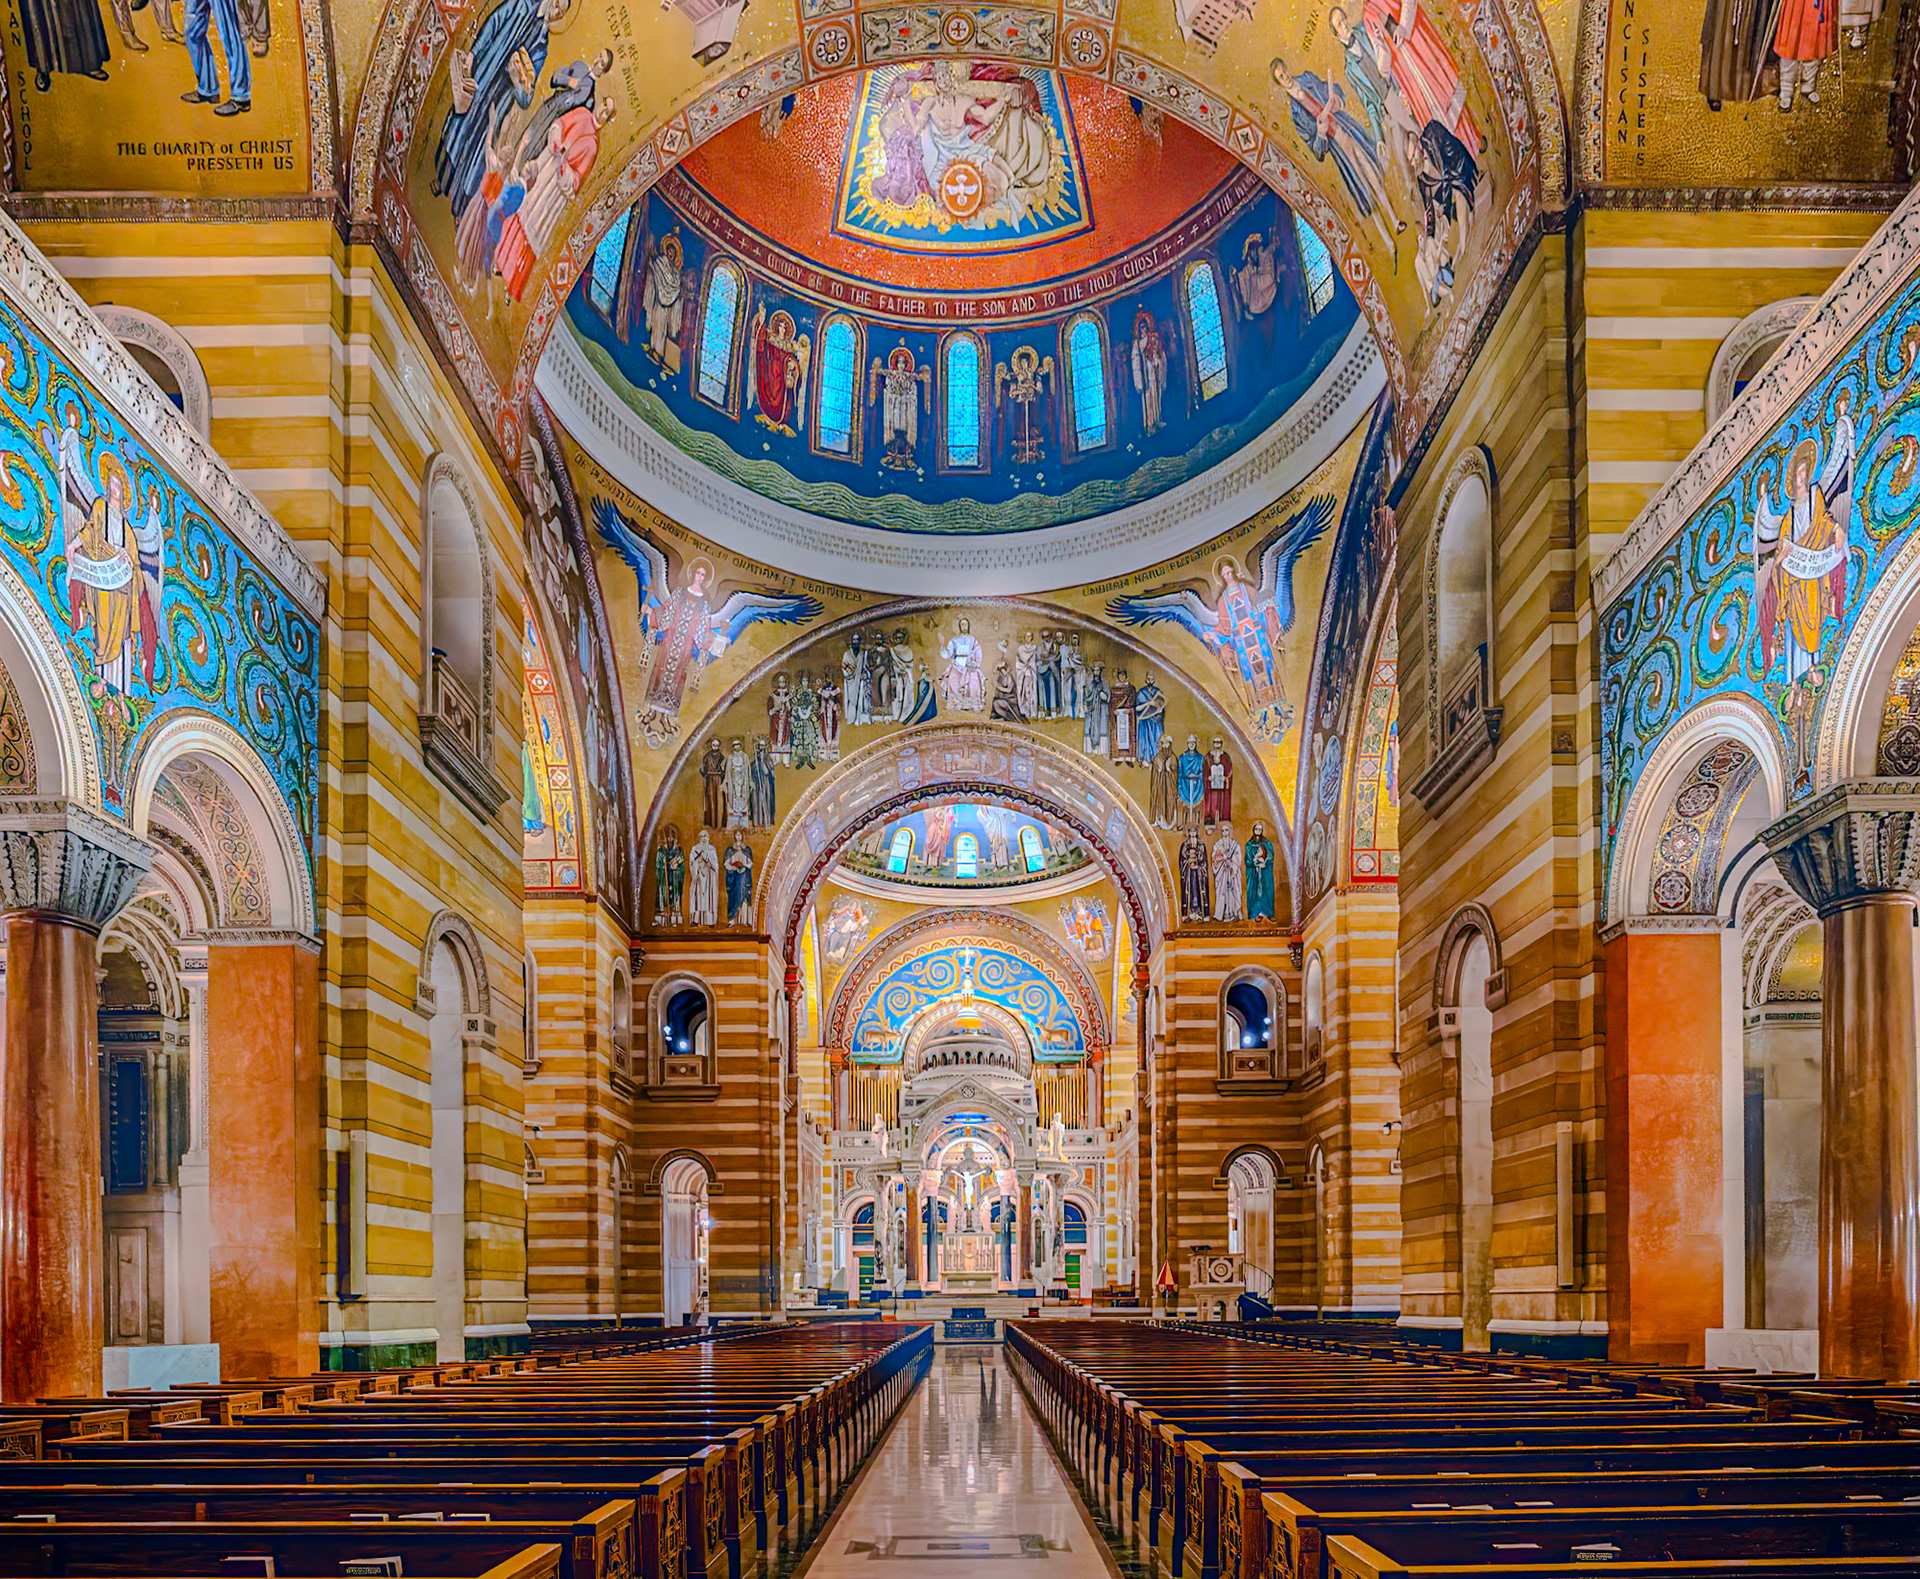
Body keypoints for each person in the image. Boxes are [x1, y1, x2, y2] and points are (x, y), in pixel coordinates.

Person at [1211, 823, 1245, 922]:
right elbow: (1215, 858)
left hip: (1231, 873)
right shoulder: (1217, 845)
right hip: (1222, 873)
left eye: (1226, 830)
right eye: (1223, 830)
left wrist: (1232, 865)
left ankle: (1234, 913)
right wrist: (1222, 859)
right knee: (1222, 892)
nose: (1225, 832)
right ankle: (1220, 914)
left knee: (1233, 891)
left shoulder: (1235, 845)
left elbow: (1237, 858)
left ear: (1229, 831)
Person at [687, 829, 721, 927]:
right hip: (698, 877)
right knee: (698, 899)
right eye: (701, 836)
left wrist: (708, 860)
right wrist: (697, 866)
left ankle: (710, 921)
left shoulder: (711, 849)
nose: (704, 839)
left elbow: (716, 866)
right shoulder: (695, 849)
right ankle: (696, 920)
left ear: (708, 838)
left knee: (708, 899)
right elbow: (691, 863)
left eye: (705, 836)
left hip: (709, 878)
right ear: (699, 838)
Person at [1245, 822, 1276, 920]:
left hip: (1264, 871)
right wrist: (1255, 863)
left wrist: (1264, 862)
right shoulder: (1249, 845)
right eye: (1256, 829)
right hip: (1254, 873)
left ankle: (1268, 912)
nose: (1258, 831)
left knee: (1266, 890)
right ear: (1253, 830)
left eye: (1260, 829)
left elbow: (1270, 856)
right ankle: (1256, 913)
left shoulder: (1267, 843)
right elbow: (1247, 860)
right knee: (1255, 892)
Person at [724, 832, 754, 925]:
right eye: (736, 835)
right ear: (734, 836)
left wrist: (744, 867)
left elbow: (750, 862)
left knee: (744, 895)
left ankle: (745, 920)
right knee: (734, 897)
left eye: (740, 835)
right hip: (734, 877)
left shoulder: (747, 849)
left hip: (744, 877)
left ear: (742, 836)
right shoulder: (730, 850)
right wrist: (734, 868)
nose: (738, 837)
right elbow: (726, 863)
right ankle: (732, 920)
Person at [1176, 733, 1205, 827]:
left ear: (1196, 744)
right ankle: (1184, 823)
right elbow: (1180, 772)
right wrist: (1180, 785)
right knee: (1185, 805)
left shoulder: (1200, 758)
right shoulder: (1182, 757)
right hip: (1185, 784)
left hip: (1197, 784)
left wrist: (1196, 775)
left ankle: (1196, 824)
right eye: (1190, 743)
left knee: (1196, 805)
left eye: (1193, 743)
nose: (1191, 745)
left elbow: (1202, 772)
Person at [699, 737, 726, 827]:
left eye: (717, 745)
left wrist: (722, 773)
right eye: (714, 745)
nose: (715, 747)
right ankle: (712, 823)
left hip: (718, 779)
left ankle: (719, 823)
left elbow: (723, 770)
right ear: (711, 746)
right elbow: (704, 771)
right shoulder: (706, 757)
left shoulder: (721, 757)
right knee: (711, 800)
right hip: (710, 779)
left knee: (719, 800)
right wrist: (702, 770)